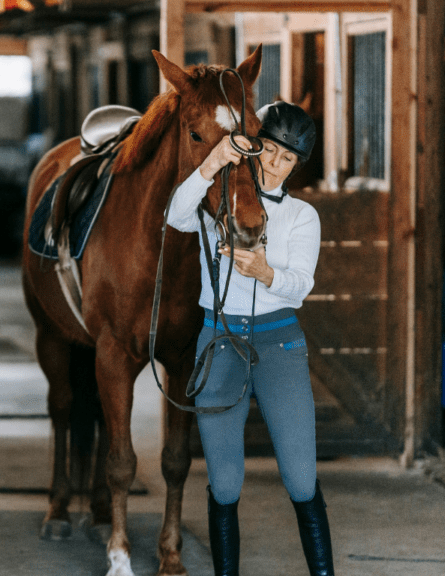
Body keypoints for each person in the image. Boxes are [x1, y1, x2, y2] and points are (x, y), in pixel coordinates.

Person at [165, 101, 332, 576]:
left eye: (288, 160)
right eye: (270, 152)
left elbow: (301, 285)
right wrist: (215, 159)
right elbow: (175, 215)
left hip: (279, 344)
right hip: (220, 344)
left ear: (297, 166)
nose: (276, 166)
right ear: (254, 148)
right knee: (225, 485)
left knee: (301, 480)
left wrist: (264, 272)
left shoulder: (302, 216)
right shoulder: (216, 197)